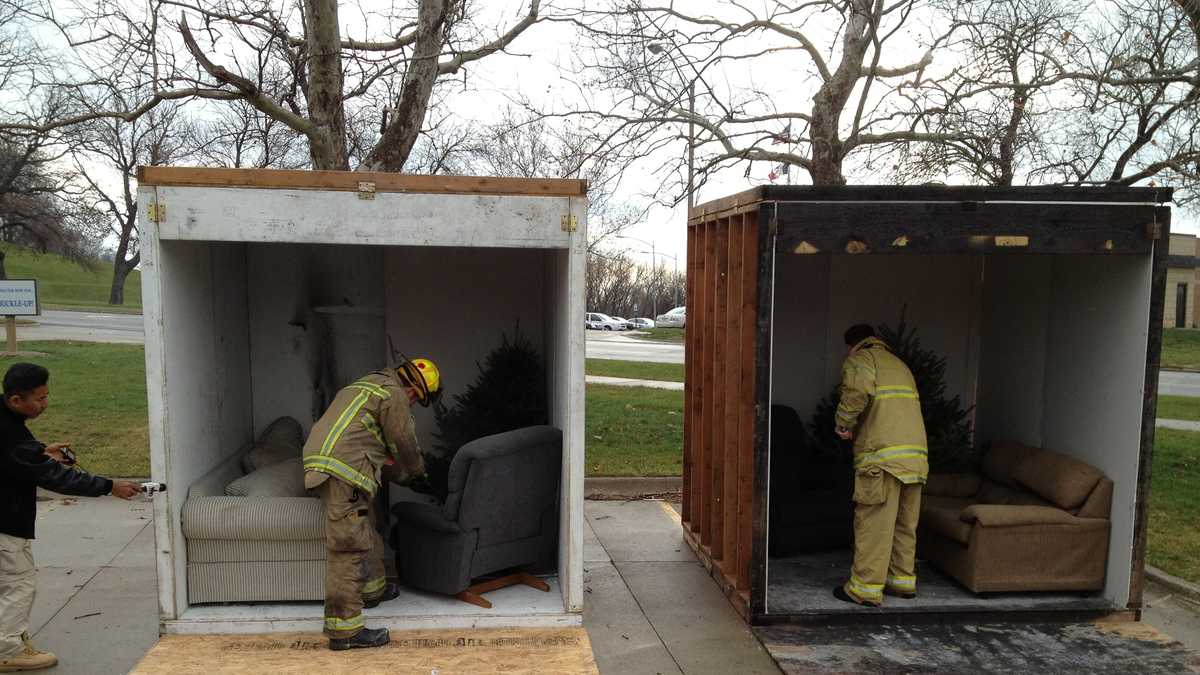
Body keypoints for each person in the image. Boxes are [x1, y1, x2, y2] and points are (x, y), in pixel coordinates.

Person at [0, 363, 142, 672]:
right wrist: (110, 486)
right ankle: (7, 651)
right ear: (15, 400)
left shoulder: (7, 421)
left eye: (46, 396)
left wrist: (38, 450)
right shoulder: (11, 435)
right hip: (5, 523)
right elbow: (57, 478)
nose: (45, 404)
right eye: (39, 399)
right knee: (18, 583)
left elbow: (18, 456)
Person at [302, 355, 439, 651]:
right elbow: (403, 442)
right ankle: (345, 631)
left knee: (367, 523)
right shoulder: (395, 395)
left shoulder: (368, 385)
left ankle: (374, 590)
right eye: (417, 401)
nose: (412, 404)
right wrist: (418, 473)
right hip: (344, 470)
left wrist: (400, 475)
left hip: (329, 463)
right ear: (416, 392)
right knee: (348, 546)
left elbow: (380, 451)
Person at [832, 324, 928, 607]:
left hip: (882, 458)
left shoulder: (861, 360)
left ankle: (864, 589)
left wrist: (843, 424)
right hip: (915, 459)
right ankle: (902, 582)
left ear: (853, 345)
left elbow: (857, 391)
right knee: (904, 523)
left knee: (874, 524)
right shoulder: (900, 365)